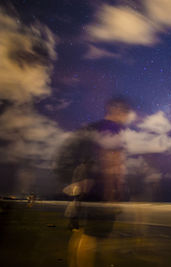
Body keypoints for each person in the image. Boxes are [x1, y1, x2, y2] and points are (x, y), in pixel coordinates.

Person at [56, 97, 136, 267]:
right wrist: (112, 196)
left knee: (82, 233)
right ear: (118, 111)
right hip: (98, 190)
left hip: (85, 189)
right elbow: (111, 163)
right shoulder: (112, 129)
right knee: (93, 237)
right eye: (126, 113)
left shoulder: (93, 127)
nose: (127, 118)